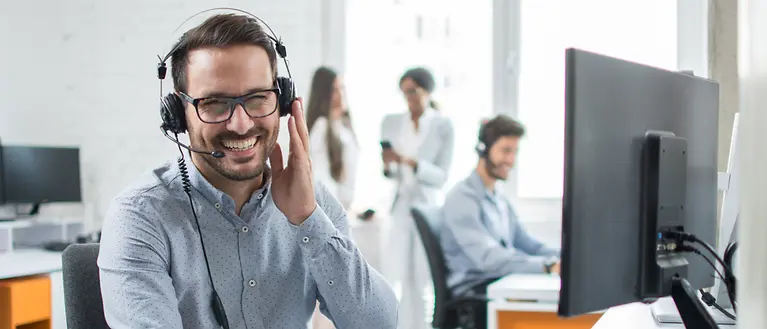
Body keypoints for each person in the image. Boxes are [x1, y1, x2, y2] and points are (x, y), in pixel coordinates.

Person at [96, 13, 397, 329]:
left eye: (257, 98)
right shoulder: (141, 216)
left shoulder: (312, 200)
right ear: (178, 114)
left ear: (280, 101)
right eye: (214, 103)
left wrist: (308, 219)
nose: (241, 124)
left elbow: (379, 323)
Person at [439, 114, 560, 329]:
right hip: (477, 296)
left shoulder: (498, 197)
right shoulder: (462, 199)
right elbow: (490, 259)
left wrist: (565, 257)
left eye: (515, 152)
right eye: (505, 150)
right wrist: (548, 266)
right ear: (483, 149)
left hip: (499, 285)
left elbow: (528, 244)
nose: (511, 160)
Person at [380, 67, 455, 329]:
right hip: (400, 207)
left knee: (423, 279)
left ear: (427, 91)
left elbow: (441, 176)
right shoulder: (392, 122)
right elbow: (390, 174)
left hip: (426, 208)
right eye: (404, 92)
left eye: (413, 91)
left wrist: (412, 163)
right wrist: (389, 164)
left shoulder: (443, 126)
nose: (408, 98)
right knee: (396, 277)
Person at [306, 66, 359, 209]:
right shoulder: (321, 126)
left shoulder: (344, 125)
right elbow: (320, 177)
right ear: (324, 94)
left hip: (344, 207)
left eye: (342, 88)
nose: (341, 95)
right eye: (335, 90)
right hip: (332, 209)